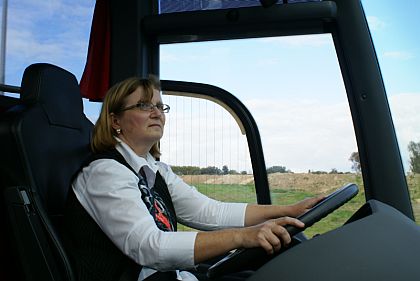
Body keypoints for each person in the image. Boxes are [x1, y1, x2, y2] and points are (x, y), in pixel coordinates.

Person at [63, 76, 323, 281]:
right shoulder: (104, 172)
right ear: (115, 120)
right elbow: (149, 246)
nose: (157, 113)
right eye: (144, 105)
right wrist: (244, 237)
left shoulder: (155, 170)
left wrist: (288, 210)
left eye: (159, 106)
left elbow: (210, 212)